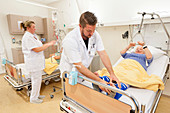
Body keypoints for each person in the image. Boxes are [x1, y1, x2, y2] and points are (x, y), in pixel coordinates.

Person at [60, 11, 120, 94]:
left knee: (86, 100)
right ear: (80, 26)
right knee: (73, 100)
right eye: (89, 31)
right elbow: (79, 66)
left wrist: (112, 73)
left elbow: (102, 53)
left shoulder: (95, 35)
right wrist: (99, 81)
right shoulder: (70, 40)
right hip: (70, 75)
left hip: (83, 74)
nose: (92, 33)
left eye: (93, 30)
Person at [21, 21, 56, 104]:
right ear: (28, 28)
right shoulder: (27, 37)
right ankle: (33, 99)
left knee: (37, 80)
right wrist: (48, 44)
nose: (35, 28)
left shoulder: (33, 36)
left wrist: (46, 44)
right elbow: (36, 49)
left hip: (37, 62)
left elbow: (38, 46)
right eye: (33, 27)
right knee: (36, 80)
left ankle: (36, 95)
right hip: (34, 63)